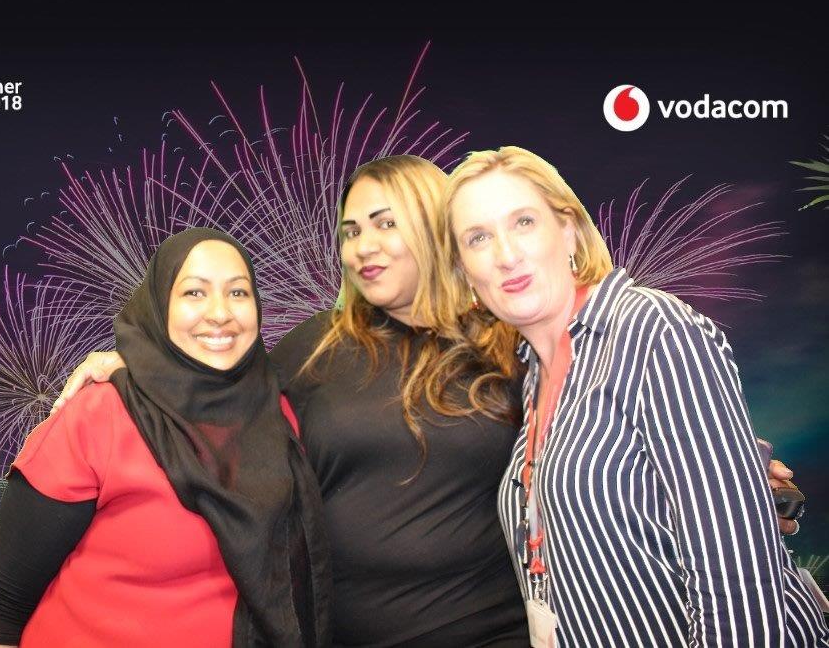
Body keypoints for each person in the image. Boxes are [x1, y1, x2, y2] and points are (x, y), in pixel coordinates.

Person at [52, 156, 805, 646]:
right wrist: (134, 365)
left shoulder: (511, 338)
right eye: (351, 230)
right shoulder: (313, 345)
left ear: (435, 231)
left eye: (387, 223)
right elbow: (216, 396)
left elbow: (639, 440)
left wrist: (753, 481)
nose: (363, 245)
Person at [442, 146, 829, 646]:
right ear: (464, 271)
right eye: (478, 237)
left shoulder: (653, 331)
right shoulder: (534, 374)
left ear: (569, 230)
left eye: (524, 222)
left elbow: (737, 581)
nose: (505, 254)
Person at [0, 228, 332, 648]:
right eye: (194, 292)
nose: (220, 312)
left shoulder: (282, 418)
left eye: (238, 293)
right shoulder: (101, 414)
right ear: (159, 306)